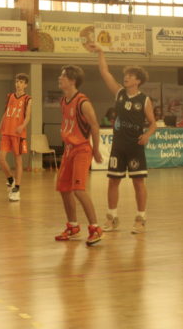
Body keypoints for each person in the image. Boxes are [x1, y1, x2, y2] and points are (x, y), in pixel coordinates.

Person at [88, 43, 156, 234]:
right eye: (126, 75)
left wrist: (147, 135)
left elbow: (153, 123)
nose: (126, 77)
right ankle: (112, 218)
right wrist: (101, 52)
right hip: (118, 146)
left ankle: (141, 219)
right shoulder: (119, 93)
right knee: (113, 181)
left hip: (135, 147)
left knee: (138, 183)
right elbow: (104, 72)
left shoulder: (144, 100)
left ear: (138, 81)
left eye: (131, 76)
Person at [54, 65, 104, 246]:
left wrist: (96, 149)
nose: (60, 78)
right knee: (63, 188)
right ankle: (73, 227)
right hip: (68, 149)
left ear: (72, 80)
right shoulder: (63, 101)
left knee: (78, 190)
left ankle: (95, 228)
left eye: (63, 76)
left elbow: (95, 126)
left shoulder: (83, 102)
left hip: (81, 149)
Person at [0, 73, 32, 202]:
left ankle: (17, 188)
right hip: (6, 132)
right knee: (0, 158)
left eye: (21, 82)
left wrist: (22, 126)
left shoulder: (28, 99)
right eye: (17, 81)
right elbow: (5, 114)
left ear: (25, 85)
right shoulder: (10, 96)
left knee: (18, 160)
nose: (18, 84)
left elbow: (28, 116)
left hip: (18, 134)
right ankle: (10, 179)